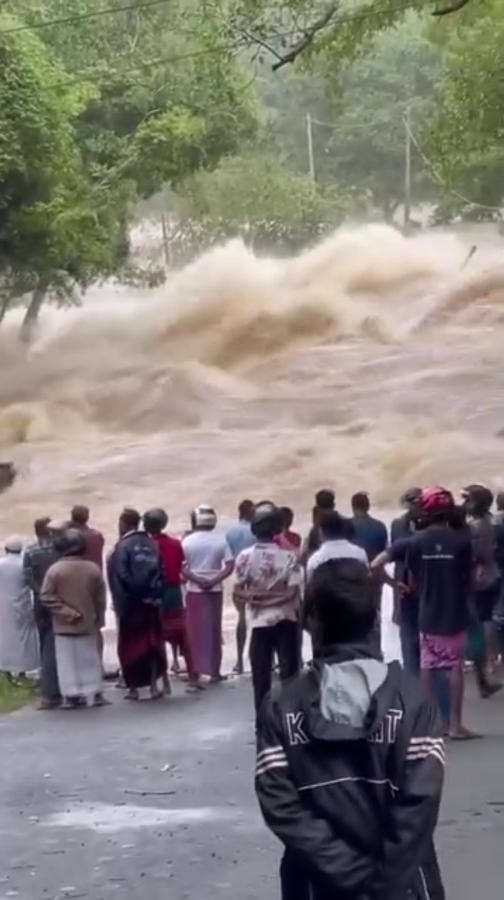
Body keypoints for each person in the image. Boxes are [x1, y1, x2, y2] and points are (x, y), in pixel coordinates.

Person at [255, 557, 446, 900]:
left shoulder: (281, 705)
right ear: (374, 618)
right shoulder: (414, 702)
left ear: (311, 621)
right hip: (403, 884)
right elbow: (419, 804)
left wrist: (351, 873)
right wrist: (383, 884)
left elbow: (280, 804)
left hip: (313, 884)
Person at [371, 486, 477, 740]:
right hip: (454, 612)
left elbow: (375, 564)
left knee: (427, 665)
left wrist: (394, 584)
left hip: (426, 612)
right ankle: (455, 725)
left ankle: (432, 724)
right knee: (454, 667)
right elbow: (471, 580)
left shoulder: (413, 542)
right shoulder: (462, 542)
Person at [233, 502, 301, 718]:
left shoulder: (244, 557)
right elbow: (292, 594)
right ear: (277, 529)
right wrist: (274, 598)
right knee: (290, 676)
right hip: (286, 620)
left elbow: (238, 591)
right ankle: (291, 719)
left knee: (261, 676)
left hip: (259, 622)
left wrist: (256, 598)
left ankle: (263, 720)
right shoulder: (289, 557)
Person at [41, 529, 106, 709]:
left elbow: (46, 596)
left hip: (64, 625)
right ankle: (95, 693)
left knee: (67, 662)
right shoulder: (92, 568)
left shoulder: (55, 570)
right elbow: (100, 598)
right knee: (90, 659)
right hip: (88, 623)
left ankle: (71, 696)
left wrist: (66, 612)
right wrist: (98, 618)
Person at [107, 507, 168, 701]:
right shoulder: (152, 544)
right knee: (152, 644)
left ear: (124, 524)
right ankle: (153, 687)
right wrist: (153, 595)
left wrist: (134, 595)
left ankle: (133, 688)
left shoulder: (121, 547)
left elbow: (121, 575)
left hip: (130, 604)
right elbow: (162, 573)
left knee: (130, 646)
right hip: (151, 604)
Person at [143, 508, 203, 693]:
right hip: (174, 592)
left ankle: (161, 683)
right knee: (182, 634)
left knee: (155, 636)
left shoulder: (146, 546)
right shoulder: (176, 544)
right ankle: (193, 676)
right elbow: (180, 567)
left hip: (155, 593)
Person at [182, 505, 234, 683]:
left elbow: (182, 567)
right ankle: (214, 672)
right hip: (215, 590)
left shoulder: (187, 542)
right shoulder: (221, 541)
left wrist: (197, 579)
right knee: (214, 631)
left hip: (194, 590)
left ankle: (195, 671)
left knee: (194, 631)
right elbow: (229, 566)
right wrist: (213, 580)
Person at [461, 484, 502, 684]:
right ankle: (491, 660)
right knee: (487, 619)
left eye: (466, 499)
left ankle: (481, 660)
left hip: (479, 578)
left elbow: (473, 554)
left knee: (477, 621)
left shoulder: (474, 527)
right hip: (492, 574)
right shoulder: (490, 521)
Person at [22, 517, 61, 709]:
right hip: (61, 600)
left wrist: (41, 593)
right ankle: (59, 687)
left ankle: (48, 687)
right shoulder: (59, 549)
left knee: (45, 642)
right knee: (60, 642)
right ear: (50, 531)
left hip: (41, 601)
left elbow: (28, 577)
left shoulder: (30, 551)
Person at [0, 536, 40, 678]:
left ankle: (6, 668)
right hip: (23, 605)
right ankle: (25, 668)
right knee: (24, 640)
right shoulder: (24, 564)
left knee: (5, 638)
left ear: (6, 549)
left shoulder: (1, 564)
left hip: (4, 607)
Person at [226, 499, 256, 675]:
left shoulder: (230, 532)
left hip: (237, 577)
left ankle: (239, 661)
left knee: (241, 619)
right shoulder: (255, 530)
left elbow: (227, 558)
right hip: (255, 577)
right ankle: (266, 658)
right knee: (260, 618)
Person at [307, 510, 368, 579]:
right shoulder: (360, 554)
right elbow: (366, 579)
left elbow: (310, 584)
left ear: (320, 532)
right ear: (342, 529)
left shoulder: (315, 561)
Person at [69, 504, 105, 571]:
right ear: (88, 518)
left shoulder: (70, 538)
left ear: (72, 518)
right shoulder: (97, 535)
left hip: (78, 574)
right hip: (96, 573)